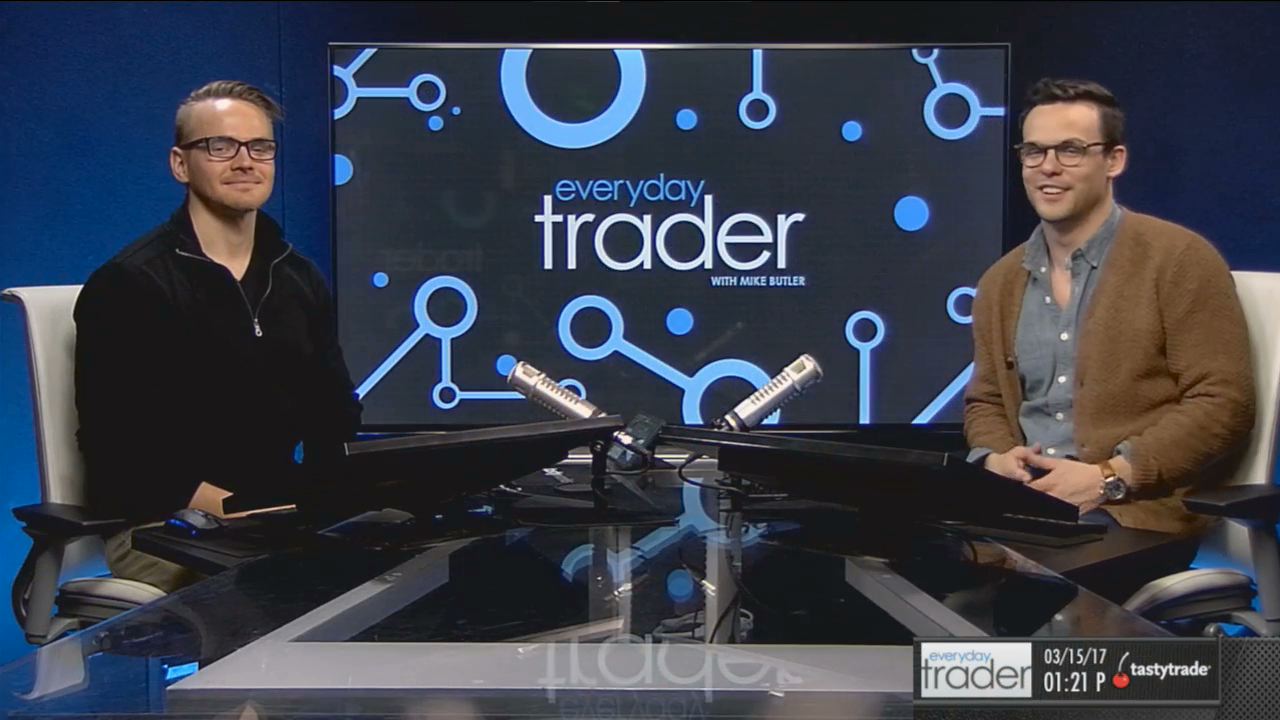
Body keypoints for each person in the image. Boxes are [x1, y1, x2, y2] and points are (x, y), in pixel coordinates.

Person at [74, 81, 363, 592]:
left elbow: (333, 415)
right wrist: (243, 509)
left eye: (260, 147)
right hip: (162, 525)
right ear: (180, 164)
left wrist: (340, 502)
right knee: (291, 588)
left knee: (393, 573)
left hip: (275, 517)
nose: (245, 161)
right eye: (221, 146)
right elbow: (117, 450)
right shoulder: (130, 284)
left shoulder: (298, 278)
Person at [964, 77, 1254, 546]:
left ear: (1114, 161)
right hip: (1024, 510)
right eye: (1034, 152)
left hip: (1137, 516)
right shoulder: (1000, 282)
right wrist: (996, 458)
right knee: (901, 564)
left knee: (1012, 583)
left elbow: (1223, 404)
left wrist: (1110, 476)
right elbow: (987, 401)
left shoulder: (1179, 259)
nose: (1048, 167)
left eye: (1070, 150)